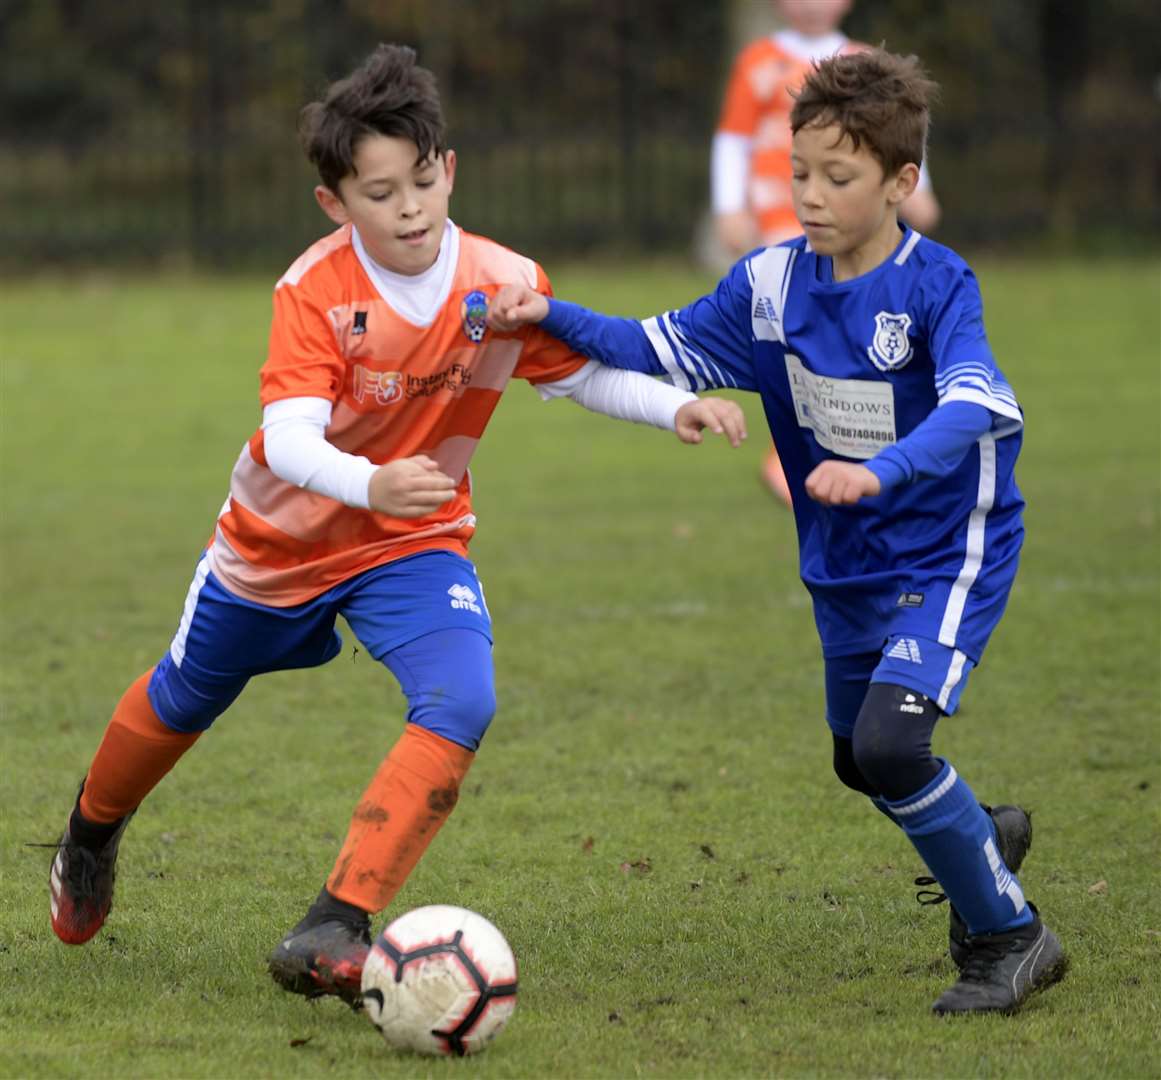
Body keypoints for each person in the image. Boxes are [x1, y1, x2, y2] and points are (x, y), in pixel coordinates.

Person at [46, 44, 746, 1006]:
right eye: (379, 193)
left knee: (462, 701)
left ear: (448, 168)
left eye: (423, 180)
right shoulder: (314, 291)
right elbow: (288, 440)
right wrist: (373, 484)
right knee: (183, 700)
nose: (409, 207)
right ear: (335, 203)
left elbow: (581, 371)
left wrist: (675, 406)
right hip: (276, 549)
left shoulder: (499, 279)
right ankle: (90, 832)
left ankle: (334, 921)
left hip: (410, 545)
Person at [488, 48, 1066, 1016]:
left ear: (901, 185)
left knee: (889, 746)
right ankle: (977, 835)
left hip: (944, 544)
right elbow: (657, 345)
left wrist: (882, 469)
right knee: (859, 758)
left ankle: (1013, 936)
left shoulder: (938, 287)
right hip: (844, 561)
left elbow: (972, 400)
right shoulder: (767, 287)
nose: (810, 194)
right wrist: (552, 313)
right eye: (799, 172)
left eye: (839, 177)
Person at [712, 0, 940, 504]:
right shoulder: (758, 61)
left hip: (851, 224)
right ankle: (789, 459)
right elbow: (732, 138)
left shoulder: (860, 59)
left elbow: (902, 133)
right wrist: (729, 207)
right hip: (780, 219)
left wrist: (919, 189)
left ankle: (851, 455)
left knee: (852, 338)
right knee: (795, 340)